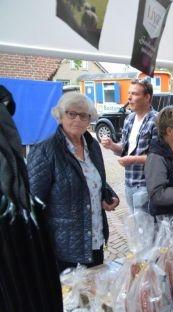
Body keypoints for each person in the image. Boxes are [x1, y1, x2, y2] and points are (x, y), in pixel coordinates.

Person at [27, 92, 119, 273]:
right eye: (71, 113)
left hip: (95, 239)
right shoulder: (46, 151)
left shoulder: (92, 146)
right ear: (60, 116)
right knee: (72, 299)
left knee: (95, 295)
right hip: (64, 249)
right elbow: (33, 203)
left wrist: (108, 195)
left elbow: (94, 180)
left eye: (83, 115)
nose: (78, 119)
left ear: (89, 120)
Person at [101, 79, 157, 213]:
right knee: (137, 229)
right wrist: (112, 145)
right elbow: (124, 149)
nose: (129, 98)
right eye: (129, 93)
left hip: (146, 185)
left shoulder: (156, 120)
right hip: (129, 183)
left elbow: (158, 157)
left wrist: (132, 160)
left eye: (134, 94)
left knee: (147, 231)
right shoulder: (129, 119)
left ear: (147, 97)